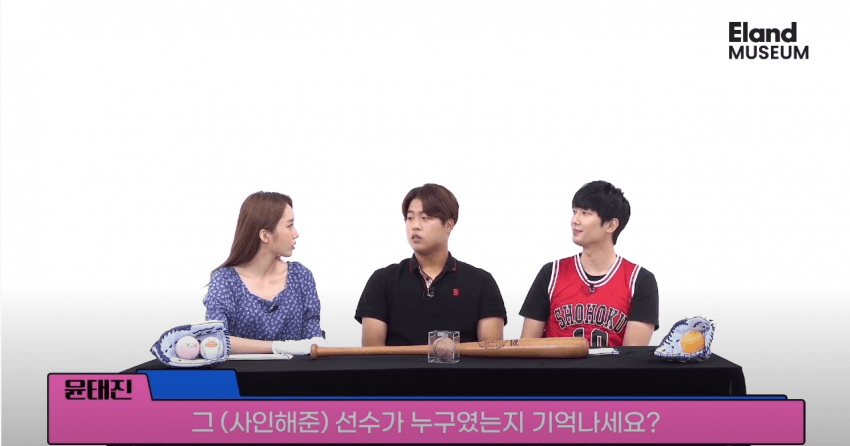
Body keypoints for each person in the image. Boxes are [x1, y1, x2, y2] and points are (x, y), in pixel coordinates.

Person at [354, 183, 508, 346]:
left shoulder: (481, 282)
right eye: (410, 218)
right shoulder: (382, 281)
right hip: (398, 364)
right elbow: (373, 354)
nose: (415, 226)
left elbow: (490, 353)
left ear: (448, 225)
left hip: (461, 364)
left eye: (425, 218)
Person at [519, 181, 659, 347]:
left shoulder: (640, 280)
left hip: (613, 365)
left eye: (585, 213)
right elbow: (527, 347)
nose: (574, 220)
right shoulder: (551, 273)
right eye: (574, 212)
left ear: (611, 225)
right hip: (556, 365)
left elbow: (633, 356)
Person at [204, 192, 327, 354]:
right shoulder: (224, 280)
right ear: (265, 235)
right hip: (240, 371)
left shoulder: (301, 276)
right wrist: (279, 347)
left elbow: (314, 341)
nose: (296, 233)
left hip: (296, 371)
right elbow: (215, 340)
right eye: (289, 225)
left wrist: (317, 344)